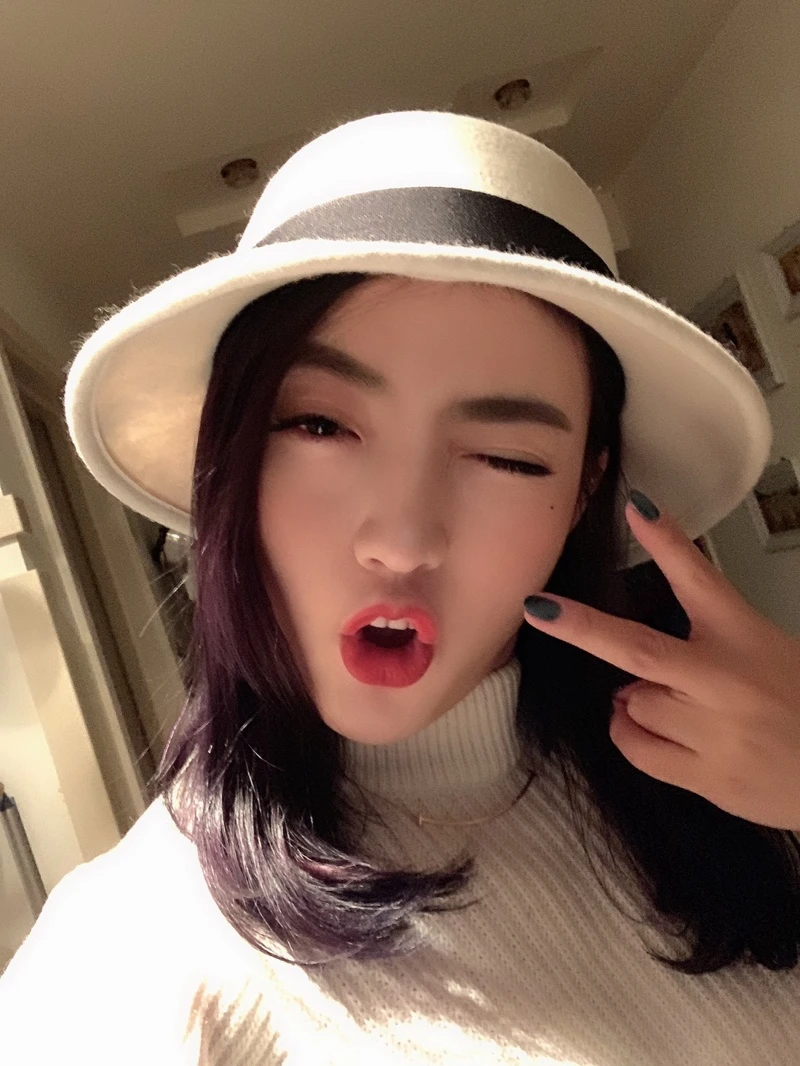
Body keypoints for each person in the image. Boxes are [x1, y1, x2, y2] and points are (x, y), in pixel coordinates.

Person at [1, 109, 799, 1064]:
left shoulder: (731, 779)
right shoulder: (124, 962)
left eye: (506, 457)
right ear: (231, 456)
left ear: (586, 492)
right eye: (320, 427)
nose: (401, 540)